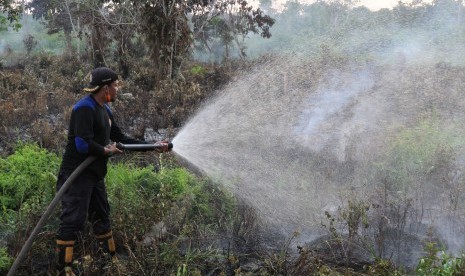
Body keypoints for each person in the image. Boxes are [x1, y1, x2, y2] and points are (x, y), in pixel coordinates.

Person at [55, 67, 169, 275]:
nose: (117, 90)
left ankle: (111, 261)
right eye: (116, 86)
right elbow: (82, 144)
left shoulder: (105, 110)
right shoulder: (84, 109)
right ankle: (64, 269)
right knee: (73, 220)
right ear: (105, 88)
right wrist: (106, 150)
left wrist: (153, 145)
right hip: (77, 175)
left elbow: (122, 138)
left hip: (95, 174)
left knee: (102, 215)